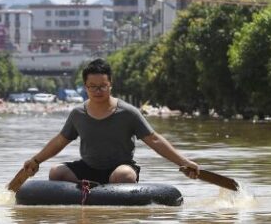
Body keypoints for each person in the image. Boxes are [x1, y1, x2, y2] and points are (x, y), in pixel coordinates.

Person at [21, 58, 200, 185]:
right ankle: (88, 193)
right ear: (86, 87)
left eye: (103, 86)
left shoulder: (129, 113)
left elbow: (154, 139)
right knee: (56, 173)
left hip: (120, 168)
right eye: (93, 87)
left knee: (123, 176)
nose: (98, 91)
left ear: (110, 84)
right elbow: (60, 140)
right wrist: (36, 160)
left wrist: (184, 162)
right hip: (88, 168)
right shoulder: (77, 114)